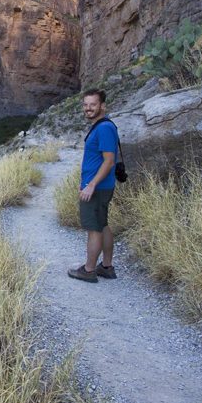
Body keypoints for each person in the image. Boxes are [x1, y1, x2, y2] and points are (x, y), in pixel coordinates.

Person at [68, 89, 118, 283]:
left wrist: (90, 186)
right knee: (102, 224)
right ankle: (106, 267)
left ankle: (89, 271)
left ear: (102, 106)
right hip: (101, 187)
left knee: (94, 229)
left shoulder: (104, 128)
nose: (88, 108)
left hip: (96, 188)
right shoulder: (102, 126)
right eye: (86, 104)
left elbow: (109, 161)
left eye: (93, 104)